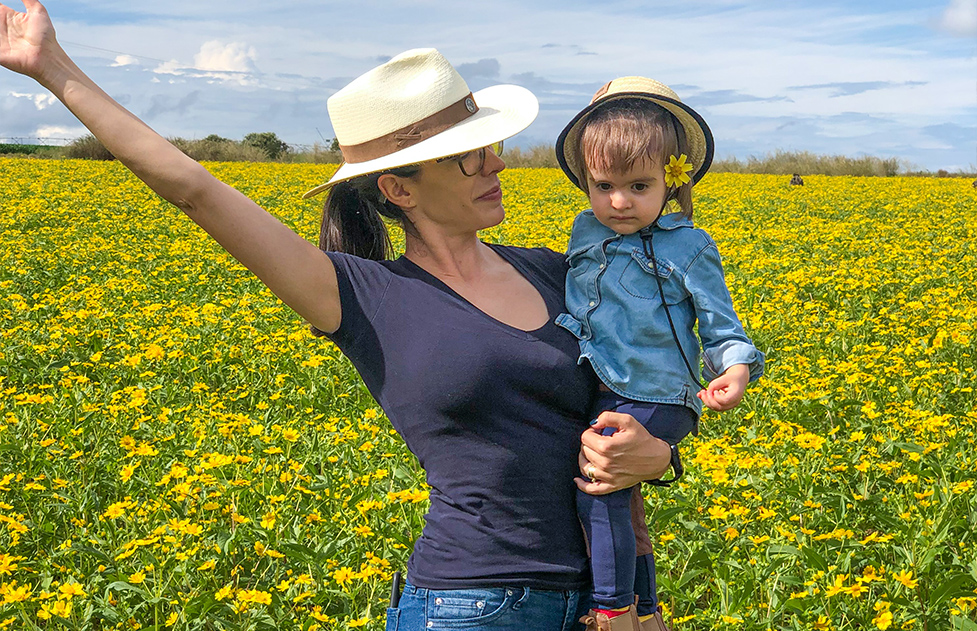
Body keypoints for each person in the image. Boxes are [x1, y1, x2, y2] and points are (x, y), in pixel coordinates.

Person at [0, 3, 676, 629]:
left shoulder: (555, 271)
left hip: (602, 603)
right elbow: (194, 189)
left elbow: (646, 379)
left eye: (490, 145)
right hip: (469, 603)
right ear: (397, 187)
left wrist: (660, 454)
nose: (493, 163)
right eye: (467, 154)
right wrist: (54, 69)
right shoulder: (358, 295)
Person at [553, 77, 765, 631]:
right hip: (605, 389)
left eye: (639, 186)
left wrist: (735, 370)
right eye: (603, 186)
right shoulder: (582, 231)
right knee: (623, 505)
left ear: (672, 182)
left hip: (661, 394)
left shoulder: (688, 246)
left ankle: (611, 612)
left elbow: (721, 325)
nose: (619, 202)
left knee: (600, 485)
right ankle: (647, 615)